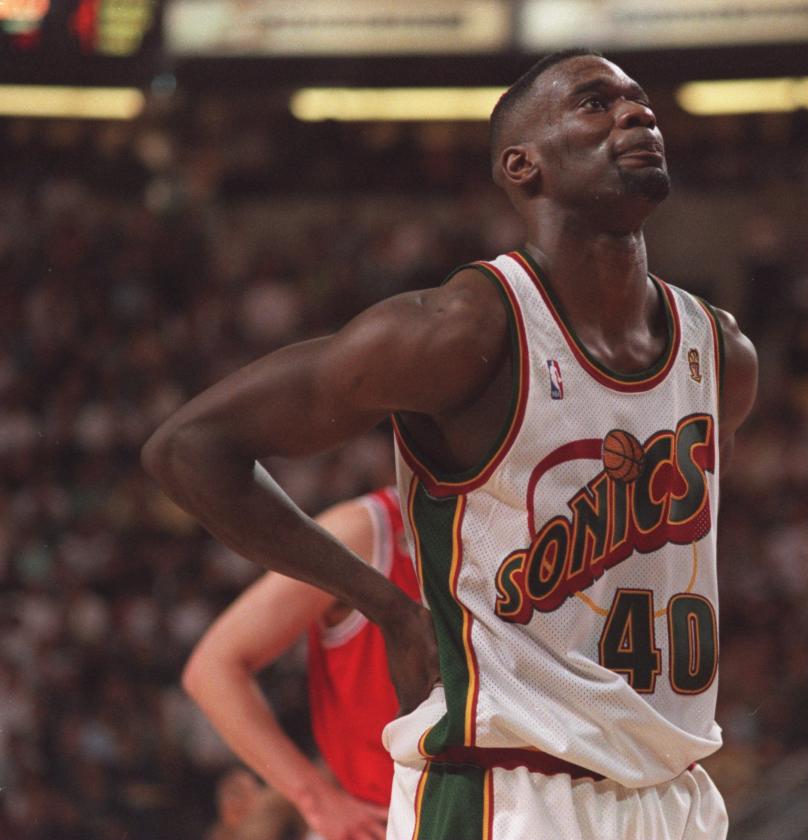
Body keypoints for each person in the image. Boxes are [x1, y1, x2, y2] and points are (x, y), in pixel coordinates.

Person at [143, 48, 758, 840]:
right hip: (512, 795)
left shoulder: (722, 353)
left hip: (675, 797)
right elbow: (190, 446)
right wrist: (388, 609)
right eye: (595, 103)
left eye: (640, 100)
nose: (637, 114)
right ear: (521, 165)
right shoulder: (464, 328)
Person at [183, 487, 432, 840]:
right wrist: (315, 798)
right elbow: (212, 669)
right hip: (387, 819)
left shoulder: (515, 524)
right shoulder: (364, 531)